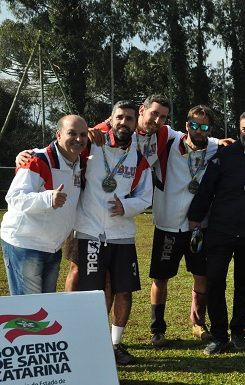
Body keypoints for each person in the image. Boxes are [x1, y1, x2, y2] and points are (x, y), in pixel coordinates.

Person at [186, 110, 245, 354]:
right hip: (220, 232)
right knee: (215, 282)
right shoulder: (224, 156)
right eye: (244, 128)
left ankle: (238, 332)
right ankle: (219, 335)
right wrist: (194, 220)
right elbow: (206, 191)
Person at [73, 100, 152, 365]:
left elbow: (146, 197)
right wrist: (25, 154)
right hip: (90, 233)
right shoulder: (91, 147)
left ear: (134, 123)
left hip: (122, 235)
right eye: (119, 118)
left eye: (129, 119)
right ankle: (89, 342)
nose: (124, 123)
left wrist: (126, 206)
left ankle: (115, 344)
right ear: (111, 119)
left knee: (123, 291)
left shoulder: (139, 160)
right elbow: (62, 147)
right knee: (93, 293)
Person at [148, 105, 220, 348]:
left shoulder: (213, 146)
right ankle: (157, 329)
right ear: (187, 125)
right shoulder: (169, 140)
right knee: (160, 278)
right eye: (194, 125)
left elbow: (232, 145)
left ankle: (198, 323)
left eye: (205, 126)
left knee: (201, 276)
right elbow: (147, 122)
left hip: (198, 227)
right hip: (167, 225)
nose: (199, 131)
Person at [1, 115, 88, 295]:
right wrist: (48, 198)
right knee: (29, 310)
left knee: (45, 308)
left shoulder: (80, 162)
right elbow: (15, 197)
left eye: (83, 134)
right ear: (58, 135)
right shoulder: (37, 160)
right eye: (72, 133)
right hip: (25, 244)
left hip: (52, 246)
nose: (78, 139)